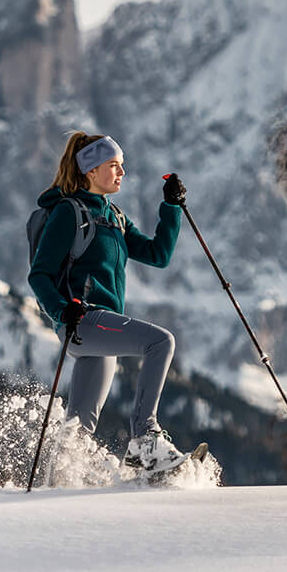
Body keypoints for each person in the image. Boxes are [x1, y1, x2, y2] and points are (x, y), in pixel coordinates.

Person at [28, 131, 191, 474]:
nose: (122, 173)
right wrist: (61, 310)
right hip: (83, 321)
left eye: (122, 166)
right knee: (160, 341)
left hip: (100, 327)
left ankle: (63, 476)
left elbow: (157, 255)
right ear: (90, 170)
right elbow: (39, 275)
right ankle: (145, 438)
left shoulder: (114, 216)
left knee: (79, 427)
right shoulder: (67, 213)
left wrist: (171, 207)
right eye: (114, 165)